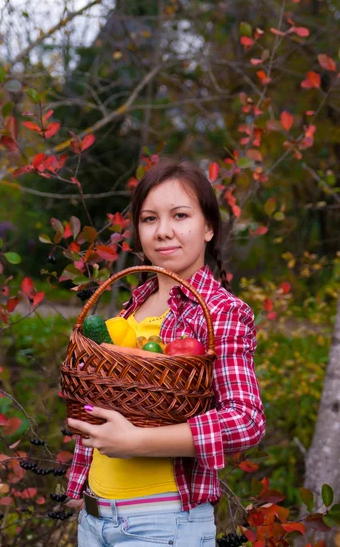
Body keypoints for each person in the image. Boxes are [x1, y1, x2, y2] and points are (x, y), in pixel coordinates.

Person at [66, 158, 266, 547]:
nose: (164, 231)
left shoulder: (221, 312)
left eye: (180, 215)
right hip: (95, 522)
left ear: (208, 227)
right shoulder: (131, 308)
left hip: (161, 526)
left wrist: (137, 444)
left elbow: (246, 420)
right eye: (149, 219)